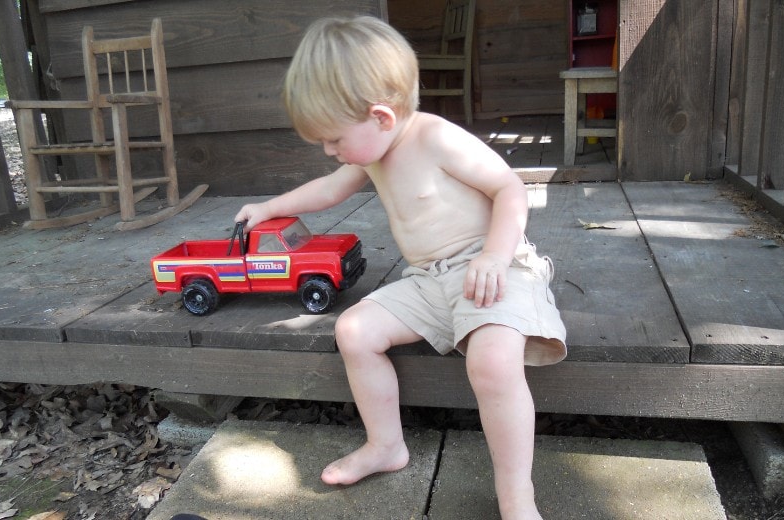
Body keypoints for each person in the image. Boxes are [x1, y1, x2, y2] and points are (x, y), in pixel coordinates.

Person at [235, 16, 566, 519]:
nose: (330, 151)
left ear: (381, 117)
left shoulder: (436, 138)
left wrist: (495, 255)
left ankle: (517, 497)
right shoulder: (371, 150)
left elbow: (510, 189)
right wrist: (270, 207)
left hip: (492, 267)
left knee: (493, 360)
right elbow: (329, 189)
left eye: (334, 141)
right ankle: (385, 445)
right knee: (355, 329)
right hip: (430, 280)